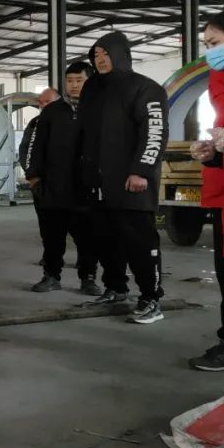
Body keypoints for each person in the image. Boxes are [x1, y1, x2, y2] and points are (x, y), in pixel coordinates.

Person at [76, 31, 169, 324]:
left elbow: (154, 133)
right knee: (103, 240)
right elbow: (85, 134)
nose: (100, 59)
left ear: (120, 54)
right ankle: (116, 288)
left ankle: (151, 298)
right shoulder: (92, 89)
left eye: (105, 53)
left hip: (133, 182)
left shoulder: (146, 89)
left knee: (138, 242)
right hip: (98, 183)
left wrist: (141, 170)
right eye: (96, 54)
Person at [189, 7, 224, 371]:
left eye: (216, 43)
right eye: (206, 44)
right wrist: (211, 153)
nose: (210, 51)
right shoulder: (220, 80)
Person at [26, 62, 99, 295]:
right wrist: (35, 179)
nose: (74, 85)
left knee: (88, 238)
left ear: (90, 80)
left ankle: (88, 278)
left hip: (86, 189)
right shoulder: (52, 112)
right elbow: (36, 147)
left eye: (79, 80)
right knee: (52, 237)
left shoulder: (99, 108)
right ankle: (51, 276)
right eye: (70, 81)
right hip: (54, 187)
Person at [19, 87, 59, 175]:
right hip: (41, 178)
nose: (43, 105)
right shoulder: (35, 123)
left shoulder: (70, 120)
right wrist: (31, 175)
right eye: (40, 102)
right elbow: (25, 148)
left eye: (47, 101)